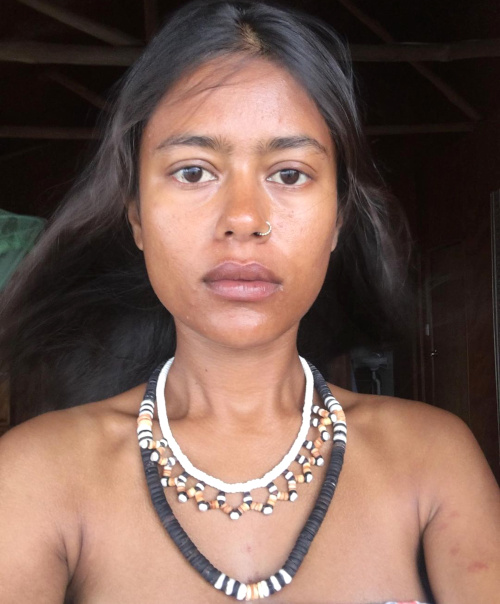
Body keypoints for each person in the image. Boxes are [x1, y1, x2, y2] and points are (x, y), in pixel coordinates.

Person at [0, 1, 498, 602]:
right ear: (135, 215)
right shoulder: (34, 478)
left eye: (289, 174)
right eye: (193, 172)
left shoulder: (434, 463)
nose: (243, 218)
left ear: (338, 218)